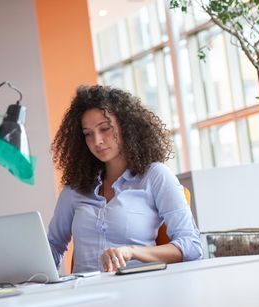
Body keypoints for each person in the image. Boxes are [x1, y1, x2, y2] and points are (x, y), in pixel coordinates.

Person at [48, 85, 202, 273]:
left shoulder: (155, 176)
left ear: (127, 126)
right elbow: (53, 246)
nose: (97, 141)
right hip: (82, 293)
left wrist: (132, 252)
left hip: (136, 292)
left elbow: (191, 246)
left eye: (105, 129)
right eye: (88, 134)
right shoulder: (75, 189)